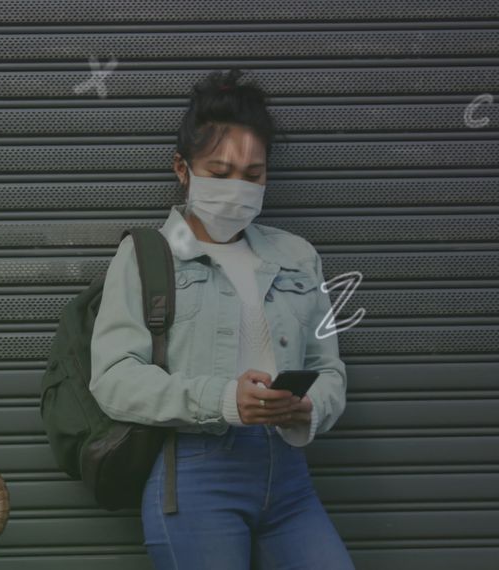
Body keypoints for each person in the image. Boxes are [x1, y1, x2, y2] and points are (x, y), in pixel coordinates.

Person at [87, 68, 355, 569]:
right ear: (182, 168)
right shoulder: (147, 256)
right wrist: (225, 399)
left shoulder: (297, 256)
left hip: (289, 477)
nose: (237, 188)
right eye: (219, 171)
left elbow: (329, 367)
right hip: (197, 476)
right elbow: (113, 378)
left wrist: (309, 407)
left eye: (253, 175)